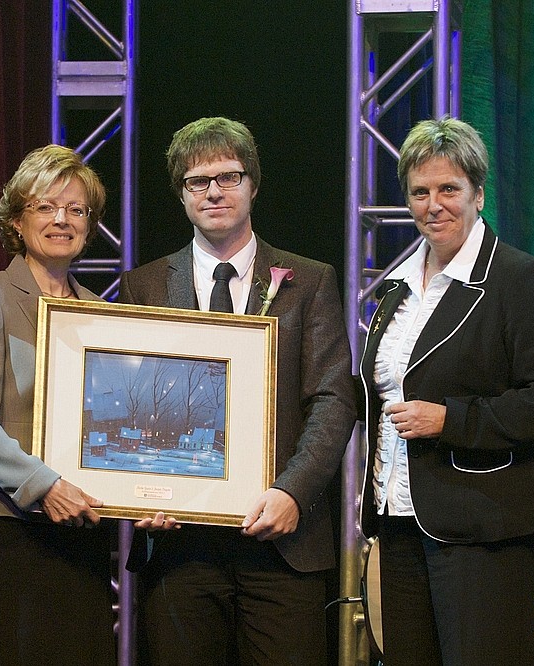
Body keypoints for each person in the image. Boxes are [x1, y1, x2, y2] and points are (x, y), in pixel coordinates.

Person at [118, 116, 357, 665]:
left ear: (253, 184)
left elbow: (333, 399)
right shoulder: (144, 286)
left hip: (282, 543)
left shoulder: (308, 280)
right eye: (197, 181)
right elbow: (131, 405)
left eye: (229, 176)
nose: (214, 192)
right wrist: (140, 494)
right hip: (180, 546)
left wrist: (294, 492)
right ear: (181, 195)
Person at [358, 116, 534, 665]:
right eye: (420, 191)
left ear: (478, 193)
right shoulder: (397, 287)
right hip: (400, 520)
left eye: (449, 189)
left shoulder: (515, 278)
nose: (434, 204)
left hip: (485, 527)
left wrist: (450, 419)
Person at [0, 144, 116, 664]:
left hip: (79, 528)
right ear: (18, 220)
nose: (62, 219)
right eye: (46, 207)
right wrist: (45, 486)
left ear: (89, 226)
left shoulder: (102, 313)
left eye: (77, 209)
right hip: (2, 527)